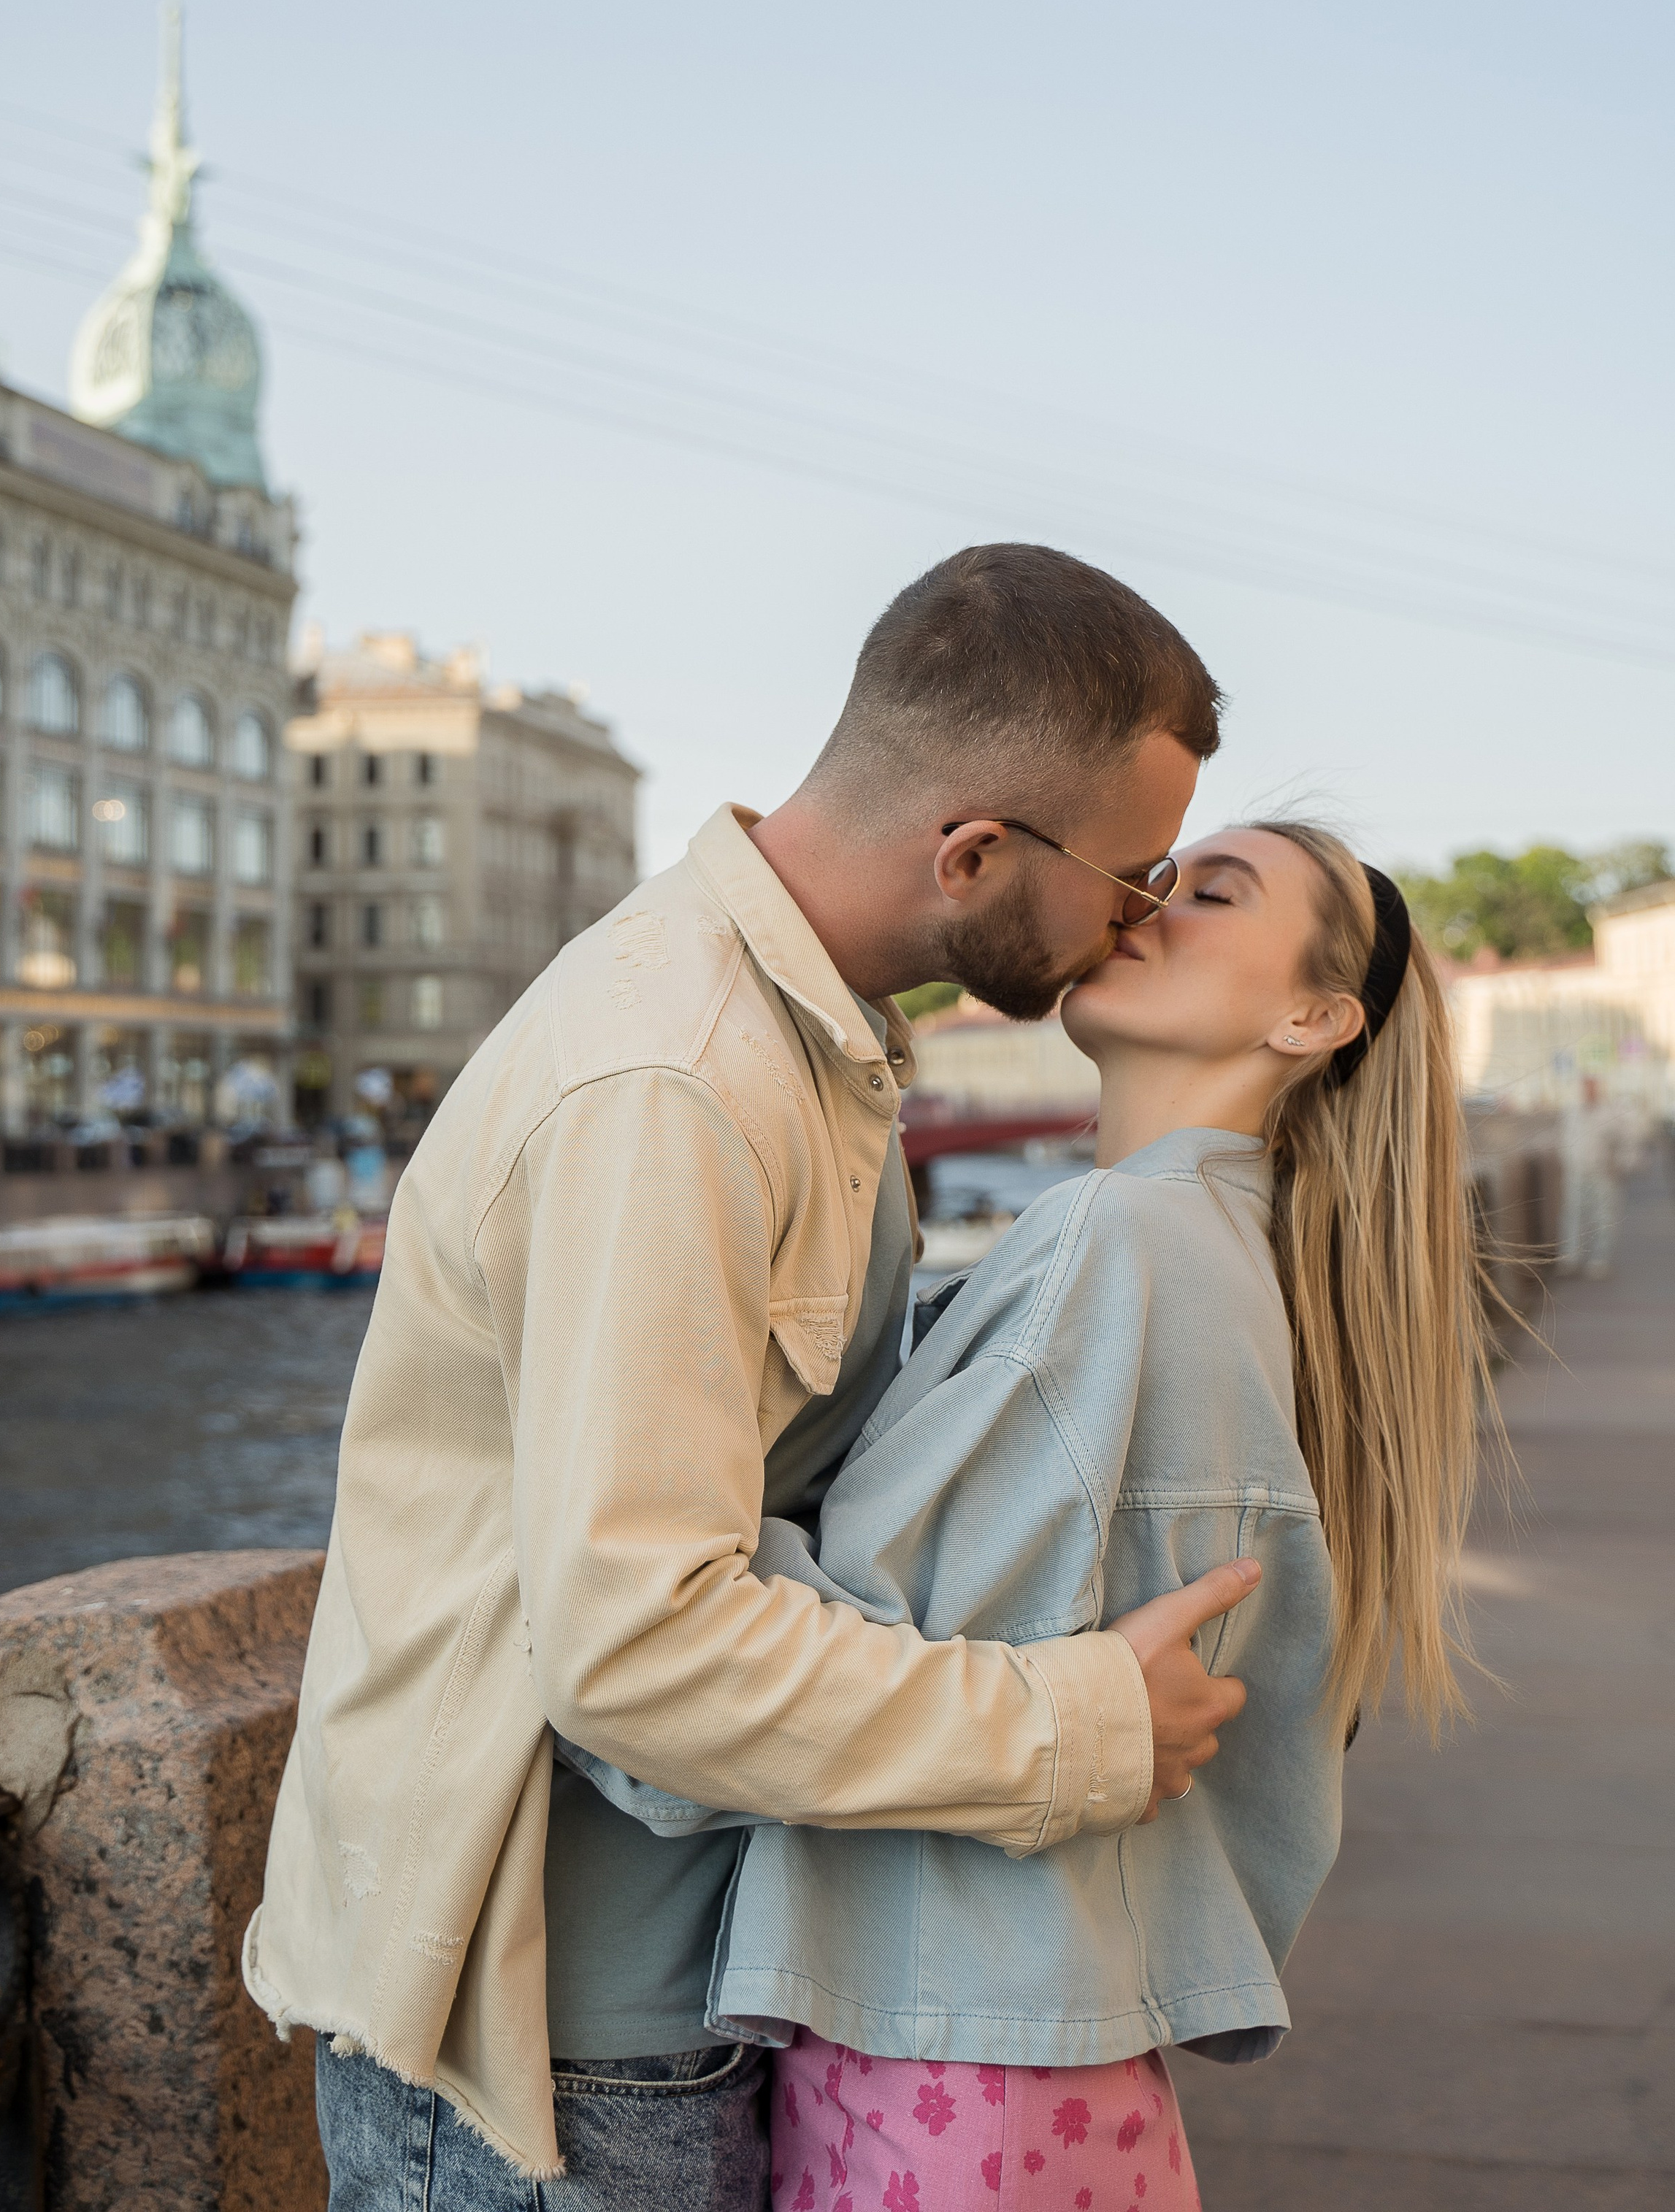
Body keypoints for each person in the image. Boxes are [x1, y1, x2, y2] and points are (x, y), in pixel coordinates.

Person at [245, 542, 1261, 2207]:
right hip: (558, 2053)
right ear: (974, 851)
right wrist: (1069, 1727)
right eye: (1134, 874)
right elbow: (639, 1646)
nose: (1138, 917)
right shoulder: (676, 1083)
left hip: (654, 1983)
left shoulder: (800, 1033)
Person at [570, 821, 1491, 2207]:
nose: (1149, 904)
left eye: (1214, 894)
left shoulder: (1112, 1243)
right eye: (1162, 874)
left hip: (939, 2042)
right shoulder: (1237, 1257)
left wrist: (619, 1499)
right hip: (1048, 2045)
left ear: (1313, 1016)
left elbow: (859, 1655)